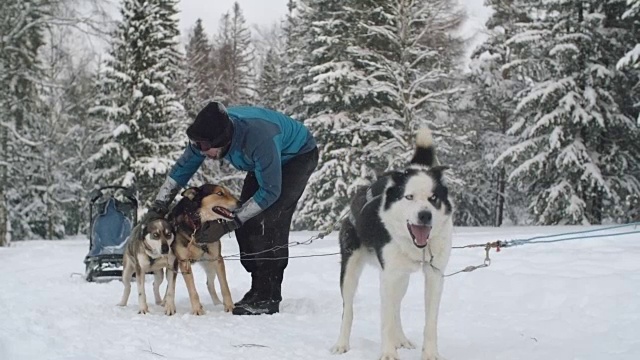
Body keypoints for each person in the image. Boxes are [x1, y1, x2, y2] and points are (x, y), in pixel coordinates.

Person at [147, 101, 318, 316]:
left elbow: (271, 192)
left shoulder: (258, 138)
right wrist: (159, 204)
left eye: (205, 147)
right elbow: (183, 167)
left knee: (268, 219)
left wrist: (231, 222)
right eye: (198, 145)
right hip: (262, 164)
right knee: (244, 219)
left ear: (223, 141)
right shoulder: (207, 135)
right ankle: (257, 287)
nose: (201, 151)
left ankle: (268, 294)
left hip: (297, 157)